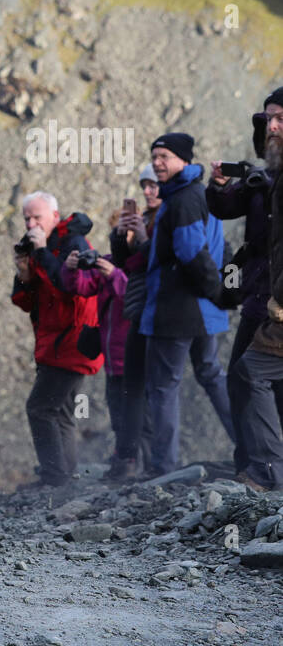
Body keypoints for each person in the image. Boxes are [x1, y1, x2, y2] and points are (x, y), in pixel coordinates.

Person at [136, 133, 234, 477]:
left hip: (177, 312)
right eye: (154, 157)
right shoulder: (201, 195)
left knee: (163, 386)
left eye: (164, 156)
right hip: (205, 314)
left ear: (183, 160)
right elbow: (227, 251)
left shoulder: (182, 200)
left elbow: (193, 253)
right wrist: (227, 293)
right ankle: (251, 448)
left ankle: (163, 468)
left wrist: (221, 293)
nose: (157, 163)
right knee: (211, 375)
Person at [11, 191, 104, 488]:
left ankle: (54, 477)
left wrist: (40, 254)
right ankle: (65, 478)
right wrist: (25, 275)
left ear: (55, 216)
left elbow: (67, 286)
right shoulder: (44, 245)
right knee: (62, 412)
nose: (30, 224)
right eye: (27, 218)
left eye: (37, 217)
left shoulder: (71, 243)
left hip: (72, 342)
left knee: (40, 408)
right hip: (54, 342)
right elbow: (27, 302)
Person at [214, 87, 283, 475]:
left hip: (276, 303)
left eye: (280, 119)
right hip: (260, 297)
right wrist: (220, 185)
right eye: (267, 118)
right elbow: (226, 207)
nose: (271, 126)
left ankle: (266, 471)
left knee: (249, 375)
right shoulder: (266, 177)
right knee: (242, 379)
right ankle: (252, 467)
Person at [60, 212, 130, 477]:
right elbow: (80, 287)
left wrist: (113, 275)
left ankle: (140, 462)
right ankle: (122, 459)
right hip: (111, 358)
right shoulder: (108, 264)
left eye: (123, 234)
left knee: (138, 414)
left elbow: (132, 295)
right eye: (115, 234)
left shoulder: (135, 266)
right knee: (117, 411)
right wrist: (71, 267)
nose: (118, 240)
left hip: (133, 354)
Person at [109, 167, 162, 476]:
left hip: (159, 312)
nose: (147, 191)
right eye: (144, 185)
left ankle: (157, 463)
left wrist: (142, 239)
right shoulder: (149, 220)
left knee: (155, 390)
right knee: (133, 388)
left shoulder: (169, 217)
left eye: (153, 185)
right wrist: (121, 237)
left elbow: (160, 260)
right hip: (139, 309)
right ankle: (131, 460)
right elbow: (128, 264)